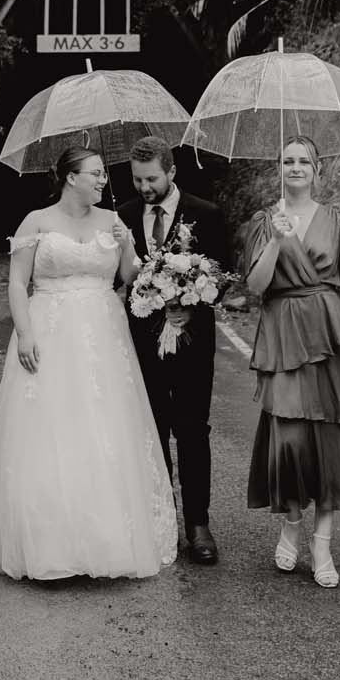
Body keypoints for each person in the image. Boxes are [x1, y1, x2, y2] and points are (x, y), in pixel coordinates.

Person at [0, 146, 177, 580]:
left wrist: (128, 245)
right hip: (49, 328)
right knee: (49, 425)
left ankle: (105, 536)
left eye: (102, 175)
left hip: (102, 334)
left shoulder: (113, 221)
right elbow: (18, 283)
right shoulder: (36, 221)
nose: (103, 181)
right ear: (70, 177)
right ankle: (46, 537)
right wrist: (24, 333)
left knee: (103, 426)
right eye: (95, 174)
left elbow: (133, 279)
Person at [243, 138, 340, 588]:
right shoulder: (265, 220)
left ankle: (323, 540)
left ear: (317, 169)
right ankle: (291, 524)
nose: (295, 167)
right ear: (278, 168)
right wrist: (279, 242)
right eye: (287, 161)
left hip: (331, 332)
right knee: (289, 437)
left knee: (331, 435)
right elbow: (258, 285)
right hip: (283, 331)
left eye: (304, 161)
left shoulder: (336, 219)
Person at [119, 135, 228, 565]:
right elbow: (120, 279)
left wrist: (191, 305)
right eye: (137, 179)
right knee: (153, 429)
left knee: (193, 430)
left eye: (151, 179)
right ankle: (163, 517)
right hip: (142, 341)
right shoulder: (123, 216)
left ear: (171, 172)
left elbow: (222, 277)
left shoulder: (206, 213)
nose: (144, 188)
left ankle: (198, 524)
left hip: (194, 342)